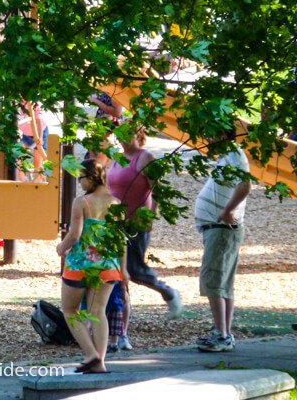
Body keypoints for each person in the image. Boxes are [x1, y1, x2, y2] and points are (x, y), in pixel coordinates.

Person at [107, 124, 182, 340]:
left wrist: (150, 217)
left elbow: (156, 190)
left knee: (134, 270)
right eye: (119, 136)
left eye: (126, 135)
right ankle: (119, 325)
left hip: (137, 222)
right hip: (114, 222)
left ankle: (167, 292)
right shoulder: (115, 157)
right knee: (116, 272)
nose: (122, 140)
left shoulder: (145, 157)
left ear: (138, 135)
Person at [57, 159, 128, 374]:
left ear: (91, 177)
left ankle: (91, 354)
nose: (80, 183)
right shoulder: (116, 204)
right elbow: (121, 240)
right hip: (108, 264)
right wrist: (123, 269)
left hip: (81, 263)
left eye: (81, 178)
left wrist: (62, 246)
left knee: (70, 310)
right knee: (98, 311)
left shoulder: (82, 202)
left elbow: (75, 234)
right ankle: (101, 361)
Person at [194, 130, 251, 352]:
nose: (207, 137)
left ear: (223, 133)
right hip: (216, 229)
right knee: (222, 283)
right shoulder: (226, 156)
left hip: (222, 228)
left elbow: (245, 185)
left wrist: (227, 210)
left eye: (211, 133)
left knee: (213, 281)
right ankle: (224, 333)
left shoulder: (235, 154)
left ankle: (221, 334)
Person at [18, 100, 47, 182]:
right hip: (26, 134)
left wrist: (40, 137)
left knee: (37, 161)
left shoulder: (33, 102)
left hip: (39, 133)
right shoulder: (17, 103)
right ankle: (22, 182)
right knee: (21, 159)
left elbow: (39, 120)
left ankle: (37, 183)